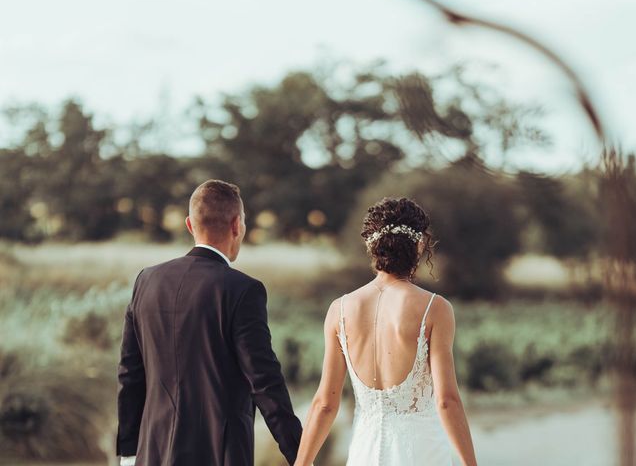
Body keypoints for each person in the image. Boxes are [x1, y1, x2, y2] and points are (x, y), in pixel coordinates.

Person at [116, 179, 303, 466]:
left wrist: (129, 452)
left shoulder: (147, 280)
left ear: (190, 225)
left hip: (153, 452)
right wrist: (300, 455)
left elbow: (130, 373)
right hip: (219, 453)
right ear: (237, 225)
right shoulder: (243, 290)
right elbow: (264, 381)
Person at [294, 197, 477, 466]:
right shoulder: (435, 308)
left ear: (372, 247)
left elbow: (324, 403)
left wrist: (302, 462)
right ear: (419, 244)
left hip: (365, 451)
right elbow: (447, 400)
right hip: (421, 452)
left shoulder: (340, 309)